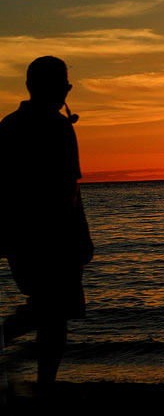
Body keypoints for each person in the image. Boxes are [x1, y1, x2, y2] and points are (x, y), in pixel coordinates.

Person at [0, 56, 93, 385]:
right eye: (60, 85)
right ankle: (44, 390)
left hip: (24, 241)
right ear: (35, 87)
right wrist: (78, 239)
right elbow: (68, 191)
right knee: (51, 313)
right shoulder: (57, 129)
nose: (63, 92)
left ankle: (44, 389)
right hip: (50, 241)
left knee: (49, 312)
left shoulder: (8, 126)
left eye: (66, 86)